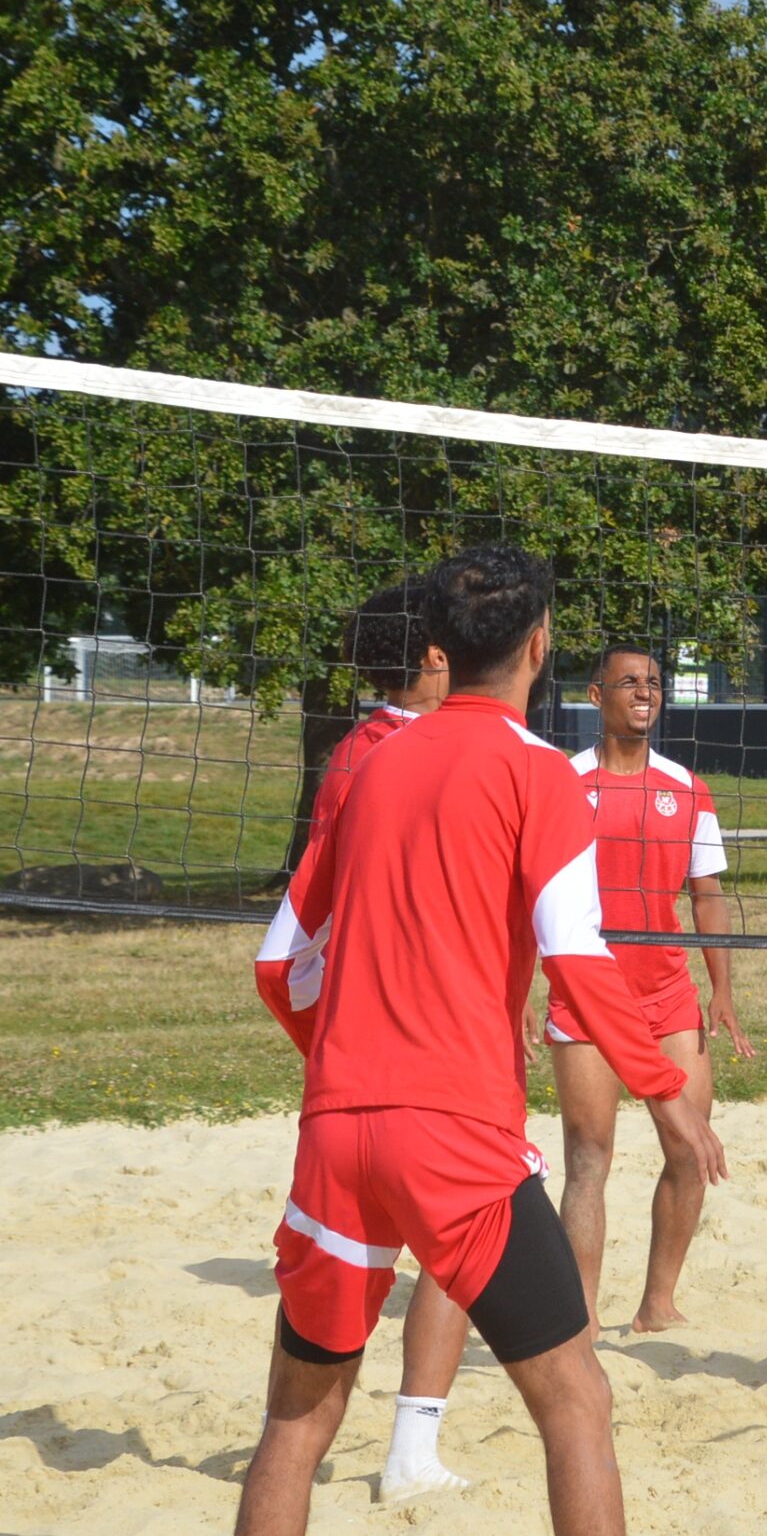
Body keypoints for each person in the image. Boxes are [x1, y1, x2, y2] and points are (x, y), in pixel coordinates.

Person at [235, 545, 725, 1536]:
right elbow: (576, 958)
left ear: (440, 645)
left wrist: (344, 1066)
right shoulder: (540, 772)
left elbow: (280, 965)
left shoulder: (366, 765)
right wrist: (666, 1090)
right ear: (539, 646)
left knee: (295, 1422)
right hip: (454, 1133)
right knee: (577, 1400)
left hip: (335, 1130)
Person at [251, 578, 471, 1504]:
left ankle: (363, 1448)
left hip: (356, 1082)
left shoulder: (353, 752)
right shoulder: (425, 757)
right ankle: (412, 1446)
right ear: (434, 655)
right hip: (429, 1065)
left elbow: (286, 959)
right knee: (466, 1248)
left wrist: (330, 1049)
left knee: (322, 1327)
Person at [547, 644, 749, 1337]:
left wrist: (721, 989)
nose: (645, 692)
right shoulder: (561, 783)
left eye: (655, 682)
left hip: (667, 993)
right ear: (595, 694)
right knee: (588, 1159)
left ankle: (657, 1303)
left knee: (690, 1150)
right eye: (629, 681)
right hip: (583, 994)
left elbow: (707, 894)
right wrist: (516, 996)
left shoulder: (687, 787)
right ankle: (580, 1317)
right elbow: (525, 899)